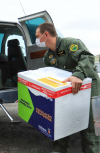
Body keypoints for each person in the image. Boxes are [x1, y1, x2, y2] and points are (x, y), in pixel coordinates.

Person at [35, 22, 100, 153]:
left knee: (90, 129)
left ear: (46, 34)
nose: (36, 40)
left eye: (37, 36)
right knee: (61, 124)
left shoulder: (71, 44)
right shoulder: (48, 56)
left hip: (89, 88)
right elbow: (47, 75)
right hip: (67, 90)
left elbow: (87, 57)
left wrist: (78, 74)